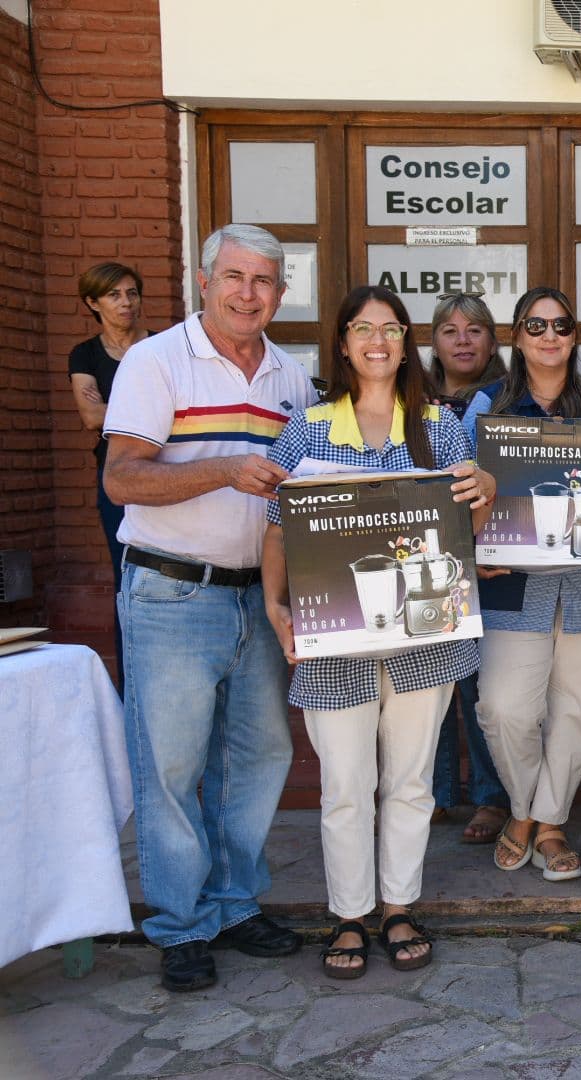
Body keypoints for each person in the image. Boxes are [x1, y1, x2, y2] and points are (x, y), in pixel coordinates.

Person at [102, 224, 317, 993]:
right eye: (234, 276)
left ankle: (232, 905)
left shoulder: (293, 379)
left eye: (264, 281)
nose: (247, 293)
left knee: (257, 760)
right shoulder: (155, 361)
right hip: (170, 591)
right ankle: (180, 922)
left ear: (281, 294)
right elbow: (122, 479)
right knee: (172, 766)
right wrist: (223, 467)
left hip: (257, 598)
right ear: (203, 280)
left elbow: (306, 495)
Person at [261, 285, 495, 979]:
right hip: (333, 637)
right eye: (363, 327)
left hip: (424, 632)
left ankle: (397, 905)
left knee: (412, 781)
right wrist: (274, 607)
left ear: (404, 341)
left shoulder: (436, 425)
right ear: (342, 342)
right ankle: (349, 913)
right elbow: (277, 526)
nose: (377, 340)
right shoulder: (306, 428)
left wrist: (483, 488)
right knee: (344, 785)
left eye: (391, 328)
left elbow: (467, 532)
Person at [464, 286, 581, 882]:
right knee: (504, 709)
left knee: (573, 712)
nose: (550, 337)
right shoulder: (486, 405)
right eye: (535, 327)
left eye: (561, 326)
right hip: (511, 582)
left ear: (573, 335)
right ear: (516, 336)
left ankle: (548, 823)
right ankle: (524, 807)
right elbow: (459, 492)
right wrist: (468, 547)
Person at [425, 291, 510, 845]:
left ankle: (490, 797)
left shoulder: (506, 399)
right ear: (433, 342)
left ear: (493, 340)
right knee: (427, 678)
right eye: (450, 330)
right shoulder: (413, 400)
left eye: (474, 329)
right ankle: (431, 792)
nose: (462, 339)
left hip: (488, 562)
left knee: (478, 687)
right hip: (426, 556)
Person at [69, 261, 148, 685]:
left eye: (132, 293)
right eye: (115, 295)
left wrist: (115, 411)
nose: (126, 303)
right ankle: (130, 685)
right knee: (127, 581)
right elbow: (89, 416)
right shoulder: (85, 354)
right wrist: (148, 410)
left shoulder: (159, 347)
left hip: (166, 479)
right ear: (92, 302)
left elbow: (106, 413)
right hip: (116, 484)